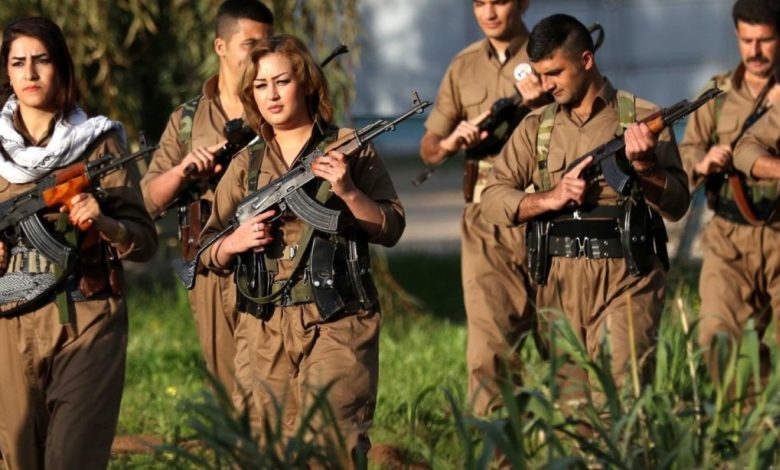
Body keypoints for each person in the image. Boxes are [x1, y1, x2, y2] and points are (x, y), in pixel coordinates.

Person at [199, 35, 404, 466]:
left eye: (282, 81)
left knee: (332, 446)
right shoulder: (246, 165)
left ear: (306, 83)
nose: (271, 95)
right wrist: (234, 242)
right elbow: (206, 251)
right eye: (261, 85)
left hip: (337, 317)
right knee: (263, 449)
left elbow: (390, 227)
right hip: (263, 328)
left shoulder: (349, 148)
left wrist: (348, 191)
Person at [480, 14, 689, 404]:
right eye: (540, 75)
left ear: (587, 60)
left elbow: (677, 204)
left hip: (627, 277)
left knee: (620, 405)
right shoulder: (536, 129)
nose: (546, 85)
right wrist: (550, 197)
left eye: (555, 73)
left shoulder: (640, 118)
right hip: (558, 285)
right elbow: (492, 199)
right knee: (573, 415)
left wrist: (646, 167)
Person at [0, 16, 157, 469]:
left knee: (72, 458)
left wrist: (104, 222)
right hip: (9, 320)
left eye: (42, 60)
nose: (30, 73)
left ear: (62, 67)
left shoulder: (98, 143)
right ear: (6, 71)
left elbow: (145, 242)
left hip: (85, 316)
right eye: (18, 62)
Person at [419, 0, 548, 416]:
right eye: (479, 3)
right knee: (488, 351)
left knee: (565, 340)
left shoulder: (550, 53)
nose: (488, 12)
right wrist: (450, 143)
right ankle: (497, 444)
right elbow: (429, 148)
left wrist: (540, 105)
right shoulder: (464, 65)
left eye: (499, 1)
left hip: (547, 213)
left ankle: (579, 441)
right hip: (486, 221)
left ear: (523, 3)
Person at [140, 0, 273, 400]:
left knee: (275, 381)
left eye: (267, 45)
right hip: (210, 266)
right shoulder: (188, 120)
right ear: (220, 47)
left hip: (273, 257)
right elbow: (147, 200)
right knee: (228, 386)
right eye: (250, 45)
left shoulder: (278, 105)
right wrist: (184, 171)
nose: (260, 55)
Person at [679, 0, 780, 384]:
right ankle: (753, 416)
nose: (755, 51)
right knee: (719, 340)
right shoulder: (716, 93)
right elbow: (686, 155)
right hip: (729, 238)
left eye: (765, 40)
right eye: (746, 40)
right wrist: (704, 162)